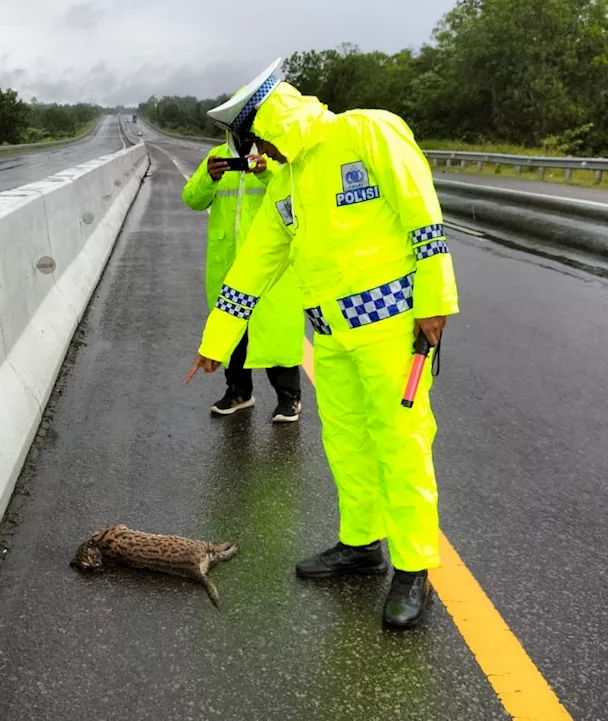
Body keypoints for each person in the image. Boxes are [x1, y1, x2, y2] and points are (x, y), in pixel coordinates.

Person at [183, 59, 460, 630]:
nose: (258, 157)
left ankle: (414, 569)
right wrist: (217, 338)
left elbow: (422, 212)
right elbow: (252, 268)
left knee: (401, 445)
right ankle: (361, 546)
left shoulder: (367, 130)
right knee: (346, 443)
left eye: (256, 142)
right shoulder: (283, 184)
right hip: (330, 336)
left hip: (392, 331)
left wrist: (435, 300)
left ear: (271, 124)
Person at [181, 130, 305, 422]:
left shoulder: (276, 156)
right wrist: (208, 178)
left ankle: (289, 397)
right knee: (232, 331)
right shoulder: (216, 157)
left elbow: (296, 195)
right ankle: (238, 392)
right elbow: (192, 200)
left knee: (278, 330)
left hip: (271, 263)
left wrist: (266, 171)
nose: (241, 134)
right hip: (227, 262)